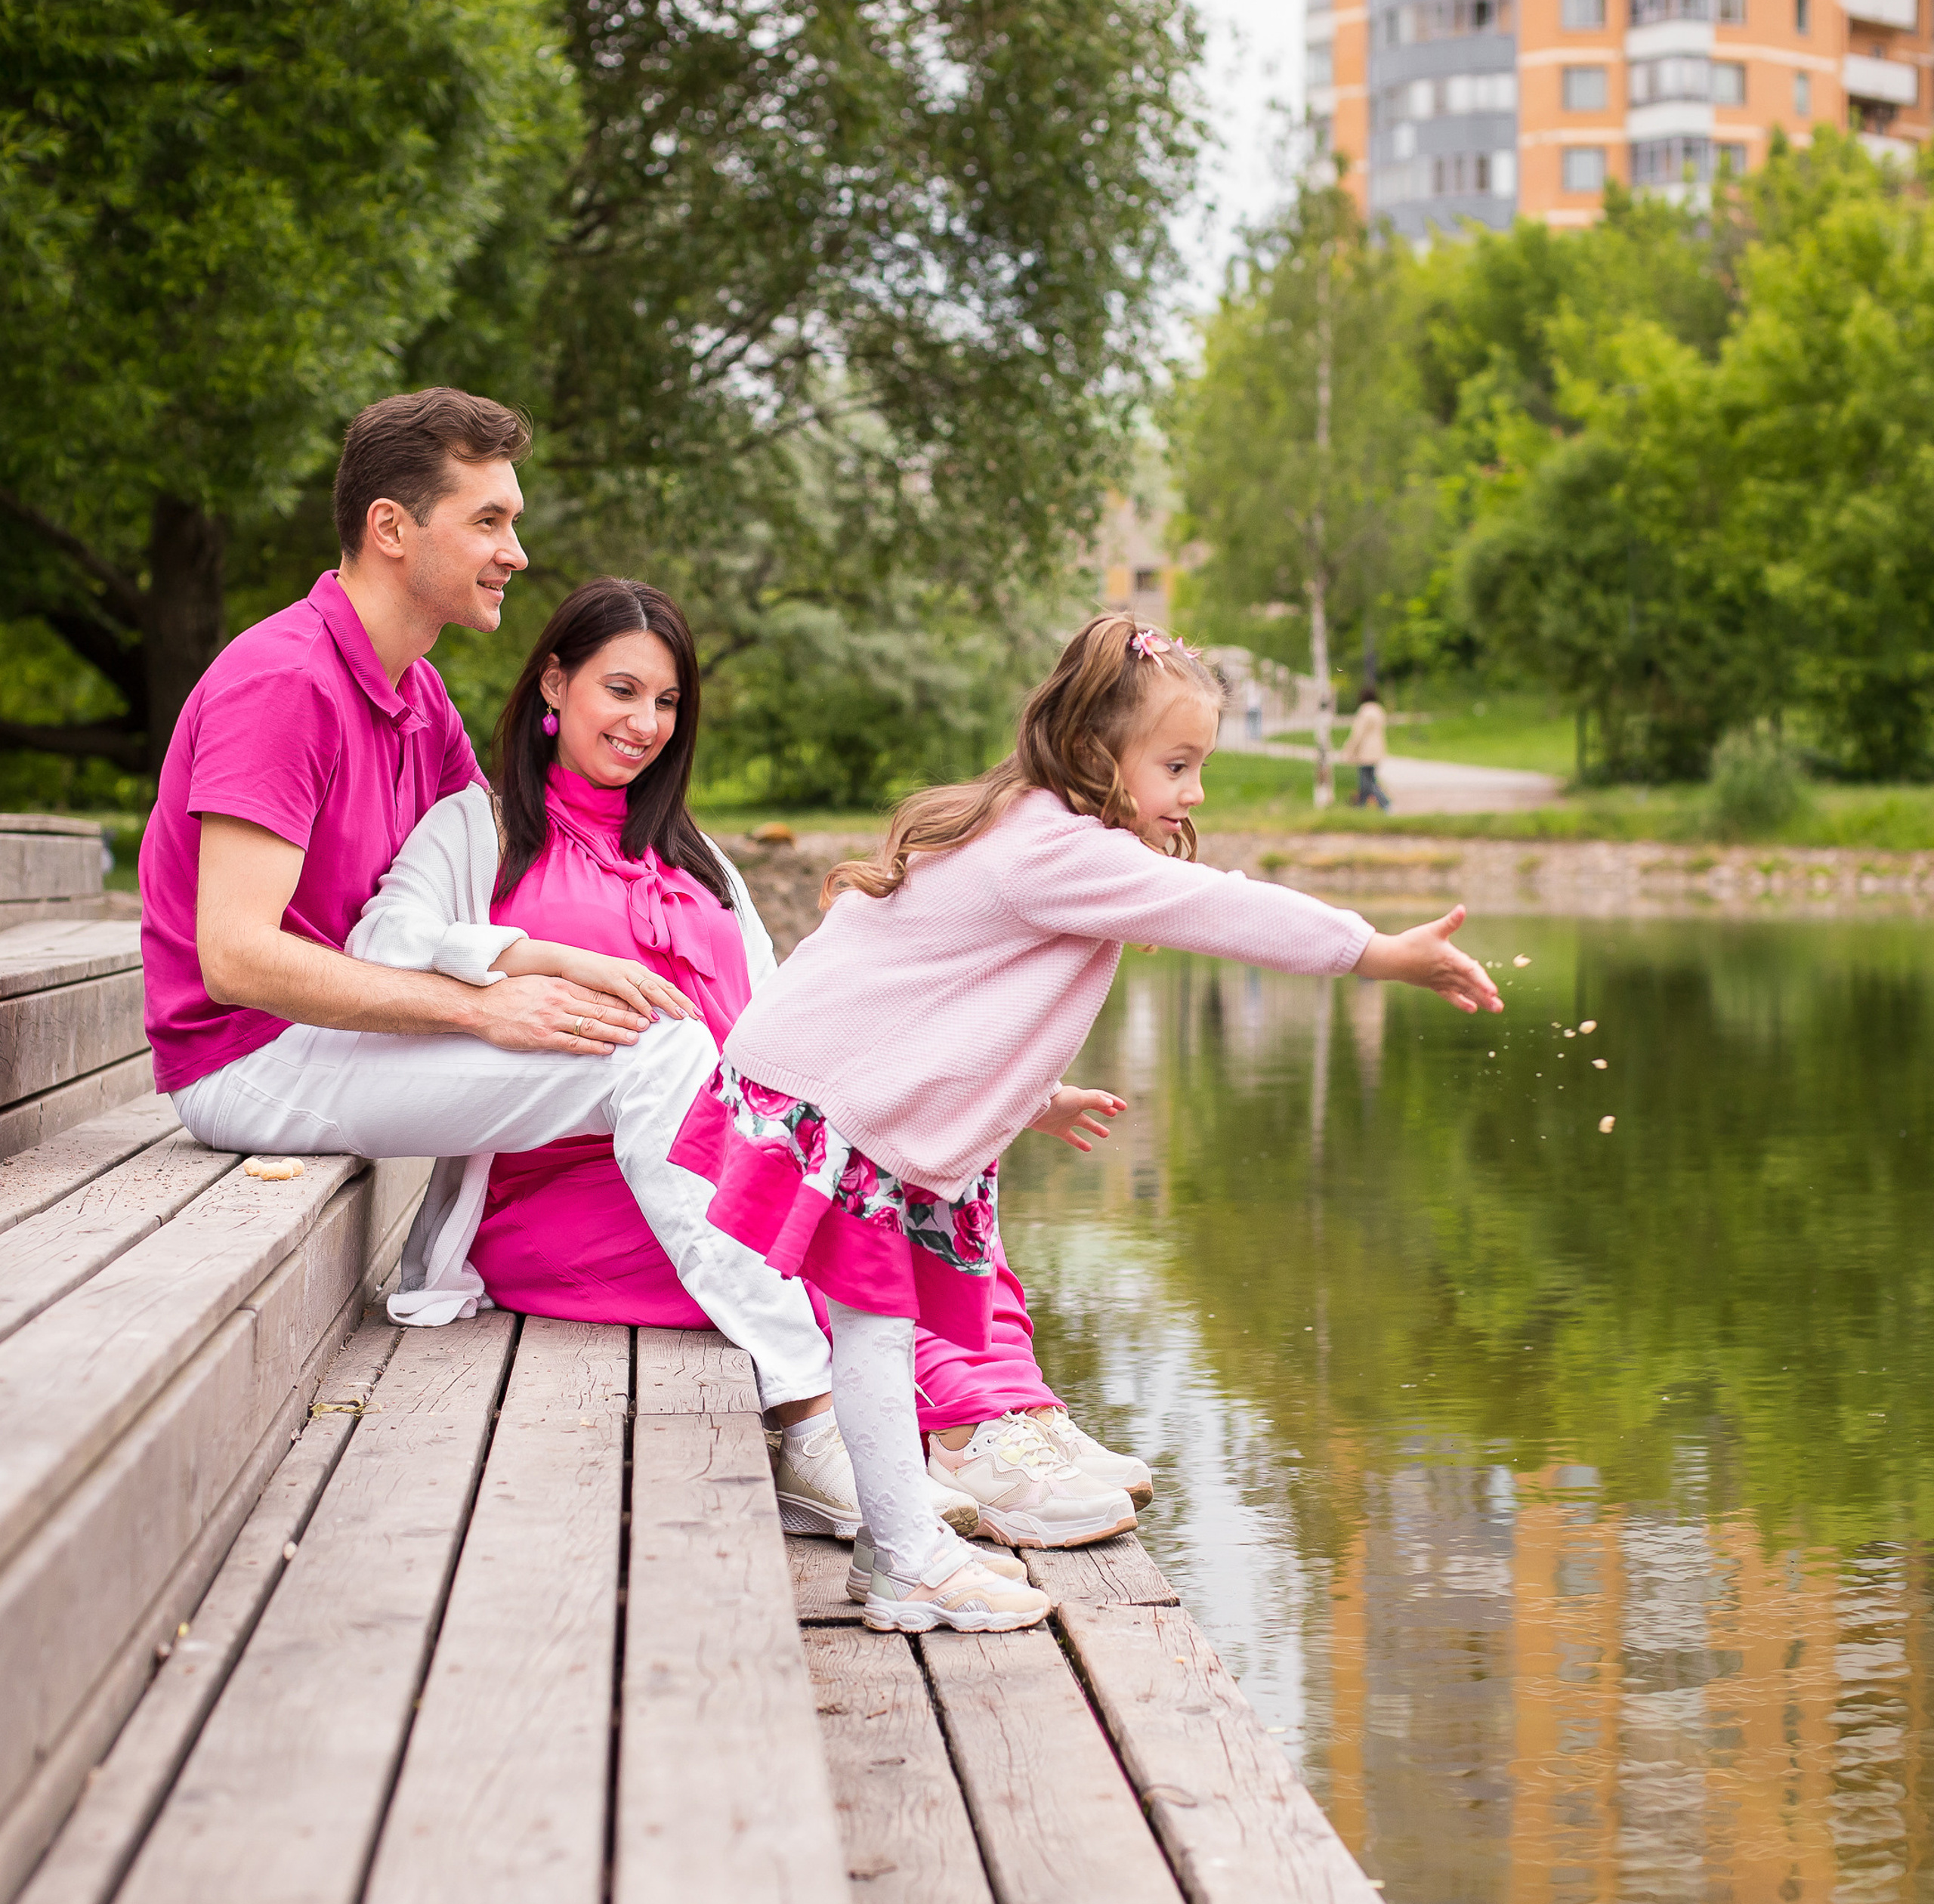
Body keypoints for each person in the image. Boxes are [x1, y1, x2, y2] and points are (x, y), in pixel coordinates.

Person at [670, 614, 1504, 1634]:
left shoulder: (1034, 828)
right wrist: (1373, 951)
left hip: (824, 1083)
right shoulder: (1057, 849)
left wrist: (1028, 1098)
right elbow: (1223, 909)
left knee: (874, 1323)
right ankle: (905, 1562)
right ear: (1100, 753)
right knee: (877, 1323)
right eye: (1179, 765)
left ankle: (898, 1550)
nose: (1194, 794)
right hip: (831, 1105)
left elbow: (940, 1004)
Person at [347, 575, 1146, 1548]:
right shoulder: (480, 832)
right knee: (830, 1231)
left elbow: (802, 1028)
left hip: (722, 1167)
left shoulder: (699, 864)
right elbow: (383, 943)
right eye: (621, 689)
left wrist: (1017, 1094)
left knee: (918, 1160)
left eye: (668, 701)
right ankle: (969, 1432)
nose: (646, 722)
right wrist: (520, 963)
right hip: (570, 1202)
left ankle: (1010, 1410)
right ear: (552, 686)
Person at [139, 388, 835, 1435]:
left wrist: (549, 960)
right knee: (647, 1056)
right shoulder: (284, 682)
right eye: (489, 520)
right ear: (391, 528)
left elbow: (481, 871)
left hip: (333, 1036)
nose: (517, 550)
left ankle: (834, 1378)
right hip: (249, 1060)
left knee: (650, 1041)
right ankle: (805, 1400)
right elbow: (235, 959)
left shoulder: (414, 696)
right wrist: (478, 1008)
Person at [1339, 684, 1392, 811]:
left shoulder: (1365, 712)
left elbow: (1358, 734)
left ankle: (1385, 804)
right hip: (1377, 749)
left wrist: (1349, 750)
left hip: (1366, 750)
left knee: (1367, 782)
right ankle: (1361, 806)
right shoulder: (1379, 710)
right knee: (1368, 779)